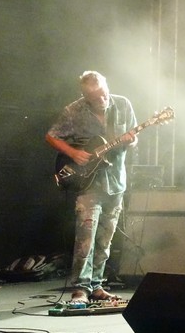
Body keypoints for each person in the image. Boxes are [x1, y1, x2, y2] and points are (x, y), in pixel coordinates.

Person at [46, 71, 137, 304]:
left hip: (115, 182)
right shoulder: (74, 111)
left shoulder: (123, 105)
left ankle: (97, 285)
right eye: (95, 97)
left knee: (105, 239)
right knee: (85, 239)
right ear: (85, 96)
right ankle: (80, 288)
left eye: (104, 93)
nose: (102, 99)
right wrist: (73, 153)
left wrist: (131, 140)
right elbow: (52, 137)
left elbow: (133, 137)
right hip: (88, 184)